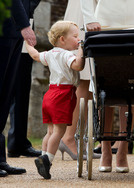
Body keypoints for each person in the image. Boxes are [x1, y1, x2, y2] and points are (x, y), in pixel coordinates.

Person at [80, 0, 134, 173]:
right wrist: (89, 18)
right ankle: (105, 149)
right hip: (104, 24)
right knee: (104, 86)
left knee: (131, 85)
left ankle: (123, 149)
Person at [26, 20, 85, 179]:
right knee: (59, 131)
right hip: (63, 94)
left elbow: (35, 55)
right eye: (75, 36)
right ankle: (47, 159)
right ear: (62, 39)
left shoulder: (50, 54)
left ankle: (43, 156)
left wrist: (28, 43)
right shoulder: (67, 55)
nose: (78, 39)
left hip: (50, 93)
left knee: (50, 130)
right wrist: (81, 50)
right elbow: (78, 66)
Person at [0, 0, 39, 178]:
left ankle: (0, 159)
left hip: (12, 30)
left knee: (5, 97)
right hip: (6, 25)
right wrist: (24, 23)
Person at [58, 0, 100, 160]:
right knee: (86, 79)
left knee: (89, 81)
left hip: (90, 12)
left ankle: (75, 138)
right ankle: (68, 137)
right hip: (87, 15)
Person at [7, 8, 41, 158]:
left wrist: (26, 8)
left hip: (25, 22)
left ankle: (18, 141)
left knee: (22, 82)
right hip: (8, 23)